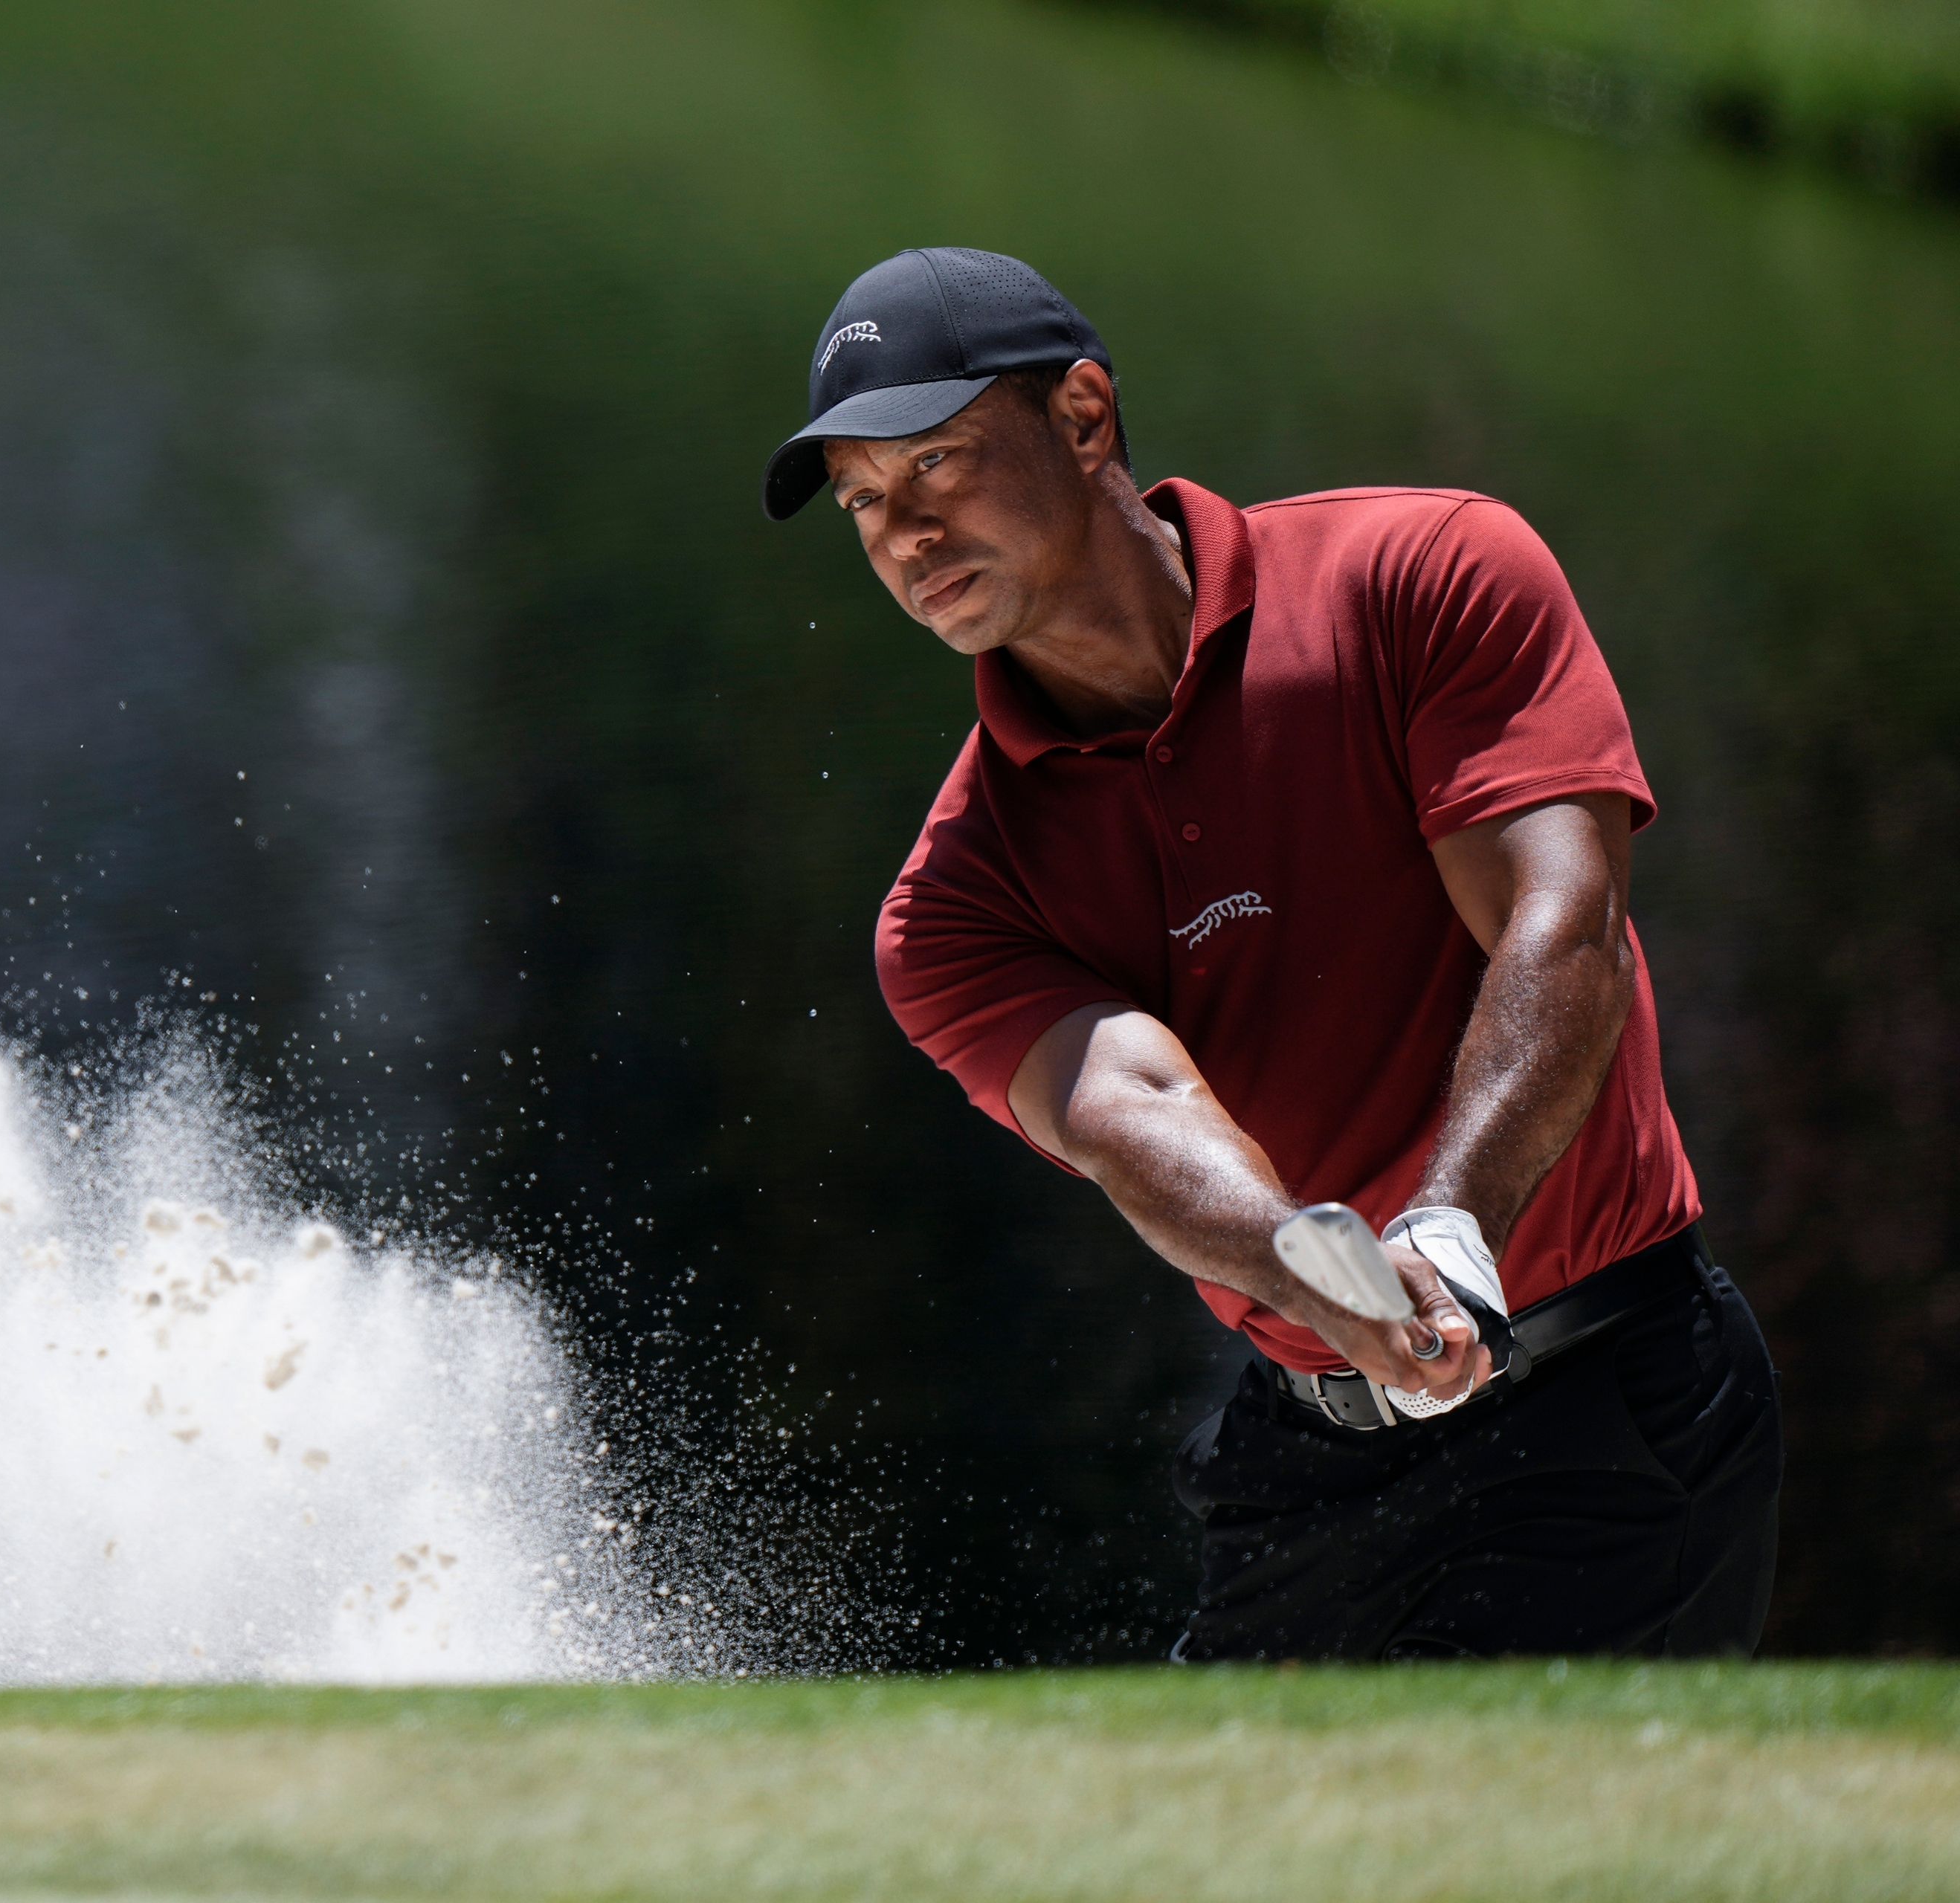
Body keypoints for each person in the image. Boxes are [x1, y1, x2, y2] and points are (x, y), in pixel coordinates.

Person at [763, 248, 1782, 1658]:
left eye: (937, 463)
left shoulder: (1423, 572)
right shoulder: (952, 901)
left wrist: (1449, 1230)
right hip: (1305, 1447)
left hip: (1605, 1391)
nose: (904, 536)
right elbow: (1138, 1118)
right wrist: (1331, 1286)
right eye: (866, 503)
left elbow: (1564, 930)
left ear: (1082, 416)